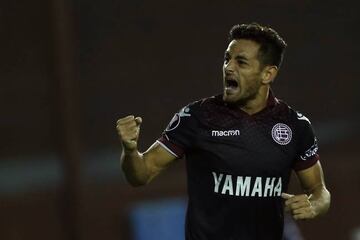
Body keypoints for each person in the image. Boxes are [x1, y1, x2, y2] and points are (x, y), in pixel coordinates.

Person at [116, 23, 331, 240]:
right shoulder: (197, 117)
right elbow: (141, 174)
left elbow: (319, 190)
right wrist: (130, 150)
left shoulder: (295, 125)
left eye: (241, 62)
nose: (228, 67)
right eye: (227, 58)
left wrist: (314, 205)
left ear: (267, 74)